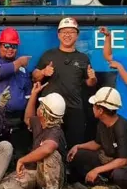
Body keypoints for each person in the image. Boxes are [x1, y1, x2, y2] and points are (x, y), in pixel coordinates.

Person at [32, 17, 97, 150]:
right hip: (50, 111)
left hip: (74, 110)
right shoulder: (48, 55)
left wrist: (92, 78)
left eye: (71, 32)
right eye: (64, 32)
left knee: (74, 146)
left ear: (77, 35)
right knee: (49, 146)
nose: (67, 35)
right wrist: (43, 72)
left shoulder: (83, 58)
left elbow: (90, 83)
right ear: (58, 35)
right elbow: (35, 77)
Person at [0, 81, 66, 189]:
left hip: (48, 175)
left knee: (51, 155)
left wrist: (22, 160)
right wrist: (34, 94)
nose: (39, 106)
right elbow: (27, 118)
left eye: (41, 105)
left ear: (43, 111)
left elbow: (48, 148)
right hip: (34, 171)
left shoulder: (55, 131)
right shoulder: (39, 122)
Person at [67, 87, 127, 189]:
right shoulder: (102, 123)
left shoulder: (122, 127)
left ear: (100, 110)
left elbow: (123, 160)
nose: (92, 108)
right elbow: (97, 144)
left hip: (125, 166)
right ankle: (99, 184)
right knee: (78, 154)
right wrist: (78, 146)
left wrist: (96, 170)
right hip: (108, 161)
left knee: (120, 175)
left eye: (94, 106)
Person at [0, 27, 32, 153]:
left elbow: (28, 95)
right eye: (7, 45)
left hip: (16, 121)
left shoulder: (23, 70)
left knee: (18, 155)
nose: (10, 49)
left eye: (14, 46)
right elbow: (0, 72)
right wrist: (19, 62)